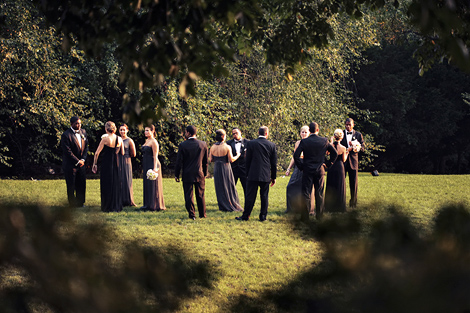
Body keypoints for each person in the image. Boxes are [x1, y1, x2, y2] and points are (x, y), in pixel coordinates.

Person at [294, 122, 337, 221]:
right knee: (319, 193)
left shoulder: (304, 142)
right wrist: (328, 164)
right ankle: (320, 216)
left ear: (309, 130)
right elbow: (334, 153)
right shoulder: (324, 141)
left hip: (307, 170)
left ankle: (305, 217)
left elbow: (296, 156)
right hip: (320, 170)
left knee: (306, 193)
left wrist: (301, 167)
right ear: (317, 130)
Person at [236, 126, 277, 222]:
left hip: (253, 174)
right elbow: (273, 163)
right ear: (267, 134)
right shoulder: (272, 145)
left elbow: (247, 160)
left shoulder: (251, 143)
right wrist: (273, 177)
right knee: (264, 196)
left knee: (250, 196)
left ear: (258, 132)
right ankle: (263, 216)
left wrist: (247, 173)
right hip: (265, 174)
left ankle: (246, 215)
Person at [175, 125, 208, 220]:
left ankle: (192, 215)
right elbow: (205, 161)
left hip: (187, 173)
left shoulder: (183, 145)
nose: (185, 134)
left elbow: (179, 162)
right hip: (199, 173)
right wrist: (205, 173)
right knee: (201, 194)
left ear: (188, 133)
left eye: (185, 132)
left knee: (188, 195)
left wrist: (177, 174)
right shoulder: (203, 144)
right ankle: (202, 214)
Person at [92, 121, 124, 213]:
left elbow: (97, 153)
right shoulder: (119, 139)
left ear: (106, 129)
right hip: (116, 162)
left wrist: (95, 164)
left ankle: (107, 206)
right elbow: (122, 153)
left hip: (107, 163)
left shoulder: (105, 139)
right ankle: (116, 205)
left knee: (107, 183)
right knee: (115, 183)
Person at [209, 129, 243, 212]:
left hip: (217, 168)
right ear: (224, 136)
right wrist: (238, 155)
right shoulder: (227, 147)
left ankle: (222, 205)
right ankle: (231, 203)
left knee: (219, 186)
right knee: (228, 185)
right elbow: (231, 159)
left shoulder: (212, 147)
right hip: (225, 167)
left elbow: (210, 159)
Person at [285, 125, 314, 214]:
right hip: (298, 166)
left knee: (307, 188)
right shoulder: (297, 143)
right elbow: (294, 157)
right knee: (291, 186)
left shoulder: (311, 142)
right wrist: (289, 168)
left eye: (306, 132)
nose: (304, 134)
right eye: (302, 132)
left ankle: (308, 208)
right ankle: (292, 208)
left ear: (309, 133)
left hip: (307, 166)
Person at [61, 116, 89, 207]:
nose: (79, 125)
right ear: (71, 124)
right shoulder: (66, 135)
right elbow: (67, 151)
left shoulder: (83, 132)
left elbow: (86, 147)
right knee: (71, 184)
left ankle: (81, 202)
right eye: (77, 123)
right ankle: (72, 203)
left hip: (81, 164)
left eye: (80, 123)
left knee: (81, 183)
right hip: (70, 164)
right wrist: (77, 161)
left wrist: (83, 159)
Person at [141, 125, 166, 211]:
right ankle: (147, 204)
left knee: (153, 184)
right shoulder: (147, 140)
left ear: (152, 131)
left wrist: (155, 168)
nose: (145, 132)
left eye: (147, 130)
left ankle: (154, 205)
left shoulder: (154, 142)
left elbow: (155, 156)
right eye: (145, 130)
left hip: (153, 163)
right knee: (147, 184)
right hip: (146, 163)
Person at [340, 118, 364, 208]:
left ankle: (353, 203)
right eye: (346, 124)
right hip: (343, 161)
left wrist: (355, 147)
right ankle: (341, 202)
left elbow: (363, 148)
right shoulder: (341, 134)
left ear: (353, 125)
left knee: (354, 183)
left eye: (349, 124)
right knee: (342, 182)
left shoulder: (358, 134)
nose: (348, 126)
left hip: (353, 162)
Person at [325, 129, 348, 213]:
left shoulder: (330, 145)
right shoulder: (343, 148)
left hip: (332, 166)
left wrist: (331, 142)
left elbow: (327, 153)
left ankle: (329, 206)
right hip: (339, 167)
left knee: (331, 185)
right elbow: (344, 160)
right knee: (339, 185)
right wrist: (347, 153)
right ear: (341, 138)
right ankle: (339, 206)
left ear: (334, 136)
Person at [226, 128, 249, 195]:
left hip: (244, 169)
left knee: (246, 188)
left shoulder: (248, 143)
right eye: (233, 134)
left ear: (240, 132)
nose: (235, 135)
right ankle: (230, 202)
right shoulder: (228, 143)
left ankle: (247, 202)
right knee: (230, 187)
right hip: (233, 168)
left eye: (236, 133)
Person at [119, 124, 136, 206]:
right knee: (119, 180)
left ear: (127, 130)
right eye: (121, 130)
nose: (122, 131)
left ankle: (129, 200)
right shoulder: (117, 139)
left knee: (127, 180)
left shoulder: (129, 140)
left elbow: (134, 154)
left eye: (124, 130)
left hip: (126, 161)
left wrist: (126, 156)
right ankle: (120, 200)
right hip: (118, 161)